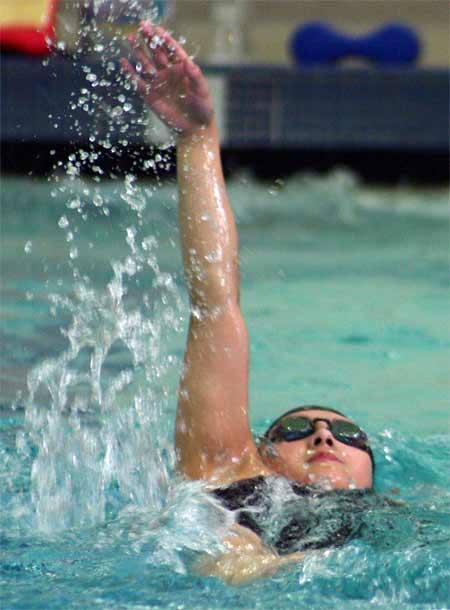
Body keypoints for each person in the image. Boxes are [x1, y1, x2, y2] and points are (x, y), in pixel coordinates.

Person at [121, 22, 375, 585]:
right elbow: (214, 298)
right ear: (260, 451)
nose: (324, 437)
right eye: (296, 429)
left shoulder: (395, 526)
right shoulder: (230, 470)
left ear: (375, 474)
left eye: (348, 436)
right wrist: (197, 139)